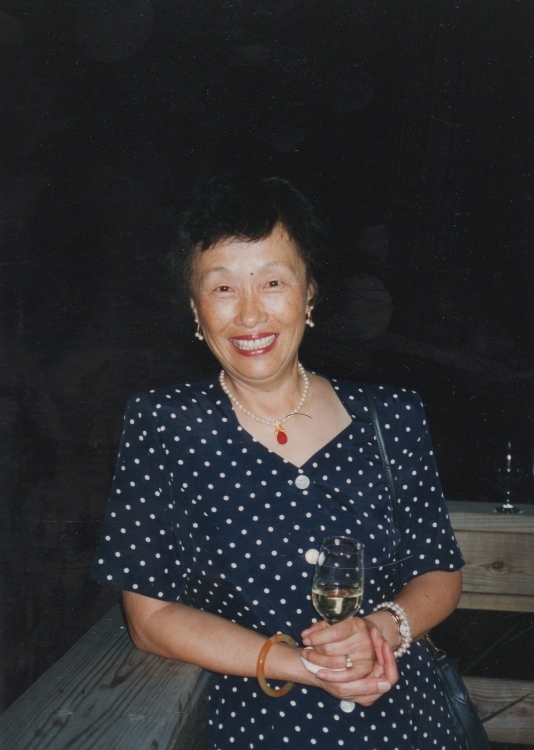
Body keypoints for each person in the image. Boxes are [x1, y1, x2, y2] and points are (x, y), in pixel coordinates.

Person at [92, 176, 465, 750]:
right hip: (260, 728)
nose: (249, 314)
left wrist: (379, 630)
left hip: (406, 723)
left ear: (309, 293)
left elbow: (439, 570)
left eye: (273, 282)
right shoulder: (164, 424)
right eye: (222, 288)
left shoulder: (392, 415)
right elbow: (151, 618)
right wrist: (302, 665)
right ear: (195, 308)